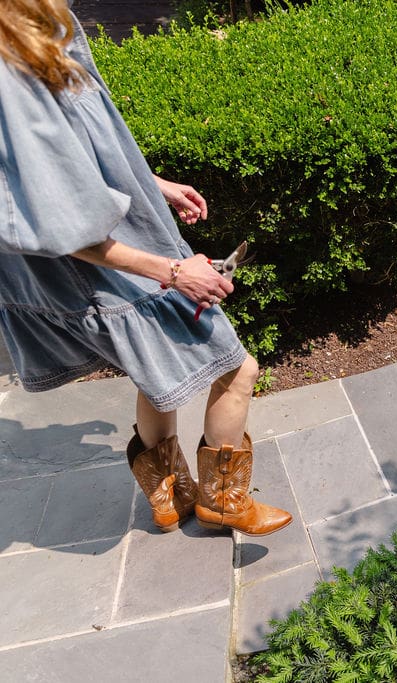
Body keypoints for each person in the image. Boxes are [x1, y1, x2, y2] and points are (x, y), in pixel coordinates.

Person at [0, 0, 291, 536]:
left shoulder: (37, 42)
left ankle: (169, 500)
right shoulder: (14, 73)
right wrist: (174, 272)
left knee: (156, 373)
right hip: (102, 262)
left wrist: (150, 184)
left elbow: (85, 158)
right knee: (237, 369)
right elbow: (65, 224)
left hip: (101, 252)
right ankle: (222, 501)